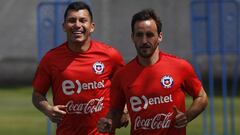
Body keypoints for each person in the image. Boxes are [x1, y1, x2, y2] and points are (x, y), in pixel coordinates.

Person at [97, 9, 208, 135]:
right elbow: (116, 113)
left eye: (149, 35)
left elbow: (201, 97)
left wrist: (187, 116)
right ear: (132, 37)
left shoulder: (180, 67)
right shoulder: (122, 75)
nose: (144, 41)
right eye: (139, 35)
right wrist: (109, 121)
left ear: (160, 36)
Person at [32, 1, 128, 135]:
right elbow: (37, 94)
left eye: (83, 20)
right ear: (64, 26)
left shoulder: (110, 55)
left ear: (92, 26)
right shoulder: (51, 59)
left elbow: (126, 85)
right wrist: (48, 109)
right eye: (72, 20)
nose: (77, 25)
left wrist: (124, 108)